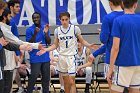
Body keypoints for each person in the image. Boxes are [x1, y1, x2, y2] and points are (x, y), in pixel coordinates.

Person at [37, 12, 97, 93]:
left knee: (71, 81)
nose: (64, 21)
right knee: (65, 82)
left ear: (69, 19)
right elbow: (55, 45)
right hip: (62, 57)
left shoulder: (75, 29)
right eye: (62, 20)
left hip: (71, 57)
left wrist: (89, 45)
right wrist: (46, 49)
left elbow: (82, 41)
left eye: (66, 19)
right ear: (60, 20)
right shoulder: (57, 30)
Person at [77, 0, 124, 85]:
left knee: (115, 89)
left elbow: (105, 40)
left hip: (112, 60)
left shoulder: (108, 18)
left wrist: (102, 33)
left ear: (110, 3)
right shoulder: (127, 16)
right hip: (129, 60)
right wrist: (94, 54)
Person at [107, 0, 140, 93]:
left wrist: (110, 69)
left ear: (122, 5)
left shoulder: (118, 21)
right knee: (135, 90)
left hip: (123, 64)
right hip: (138, 63)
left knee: (115, 90)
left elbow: (115, 47)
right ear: (135, 5)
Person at [26, 12, 51, 93]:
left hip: (45, 57)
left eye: (37, 17)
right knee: (33, 77)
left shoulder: (45, 28)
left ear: (40, 18)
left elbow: (49, 41)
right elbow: (28, 43)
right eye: (34, 18)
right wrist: (35, 34)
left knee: (46, 78)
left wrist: (46, 33)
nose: (35, 19)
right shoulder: (29, 29)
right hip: (35, 57)